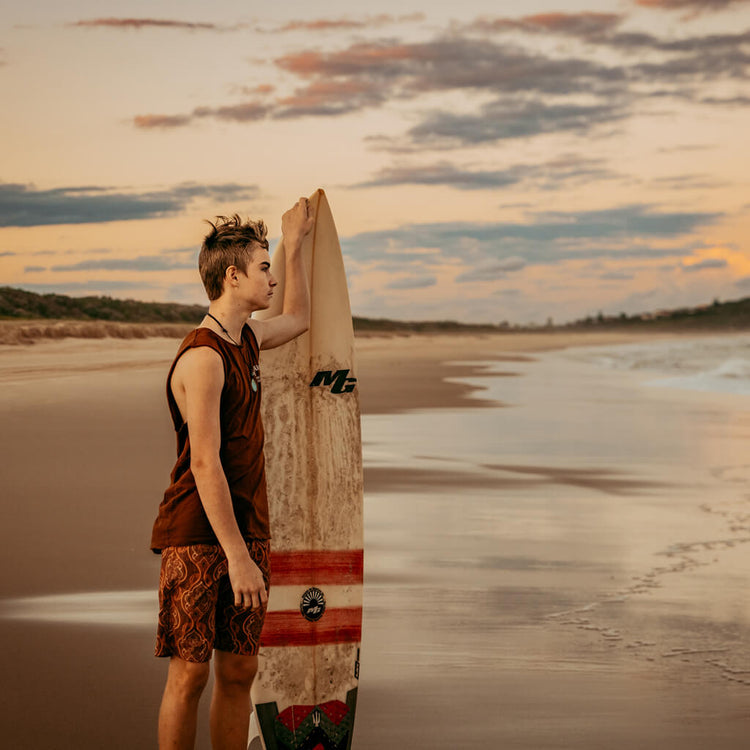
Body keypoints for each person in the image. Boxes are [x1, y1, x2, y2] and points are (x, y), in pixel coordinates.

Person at [150, 197, 313, 750]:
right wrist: (238, 558)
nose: (271, 279)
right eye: (264, 268)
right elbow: (204, 463)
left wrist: (297, 245)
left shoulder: (247, 339)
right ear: (233, 274)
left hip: (248, 529)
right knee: (190, 674)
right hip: (198, 536)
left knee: (240, 673)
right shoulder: (204, 358)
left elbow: (300, 319)